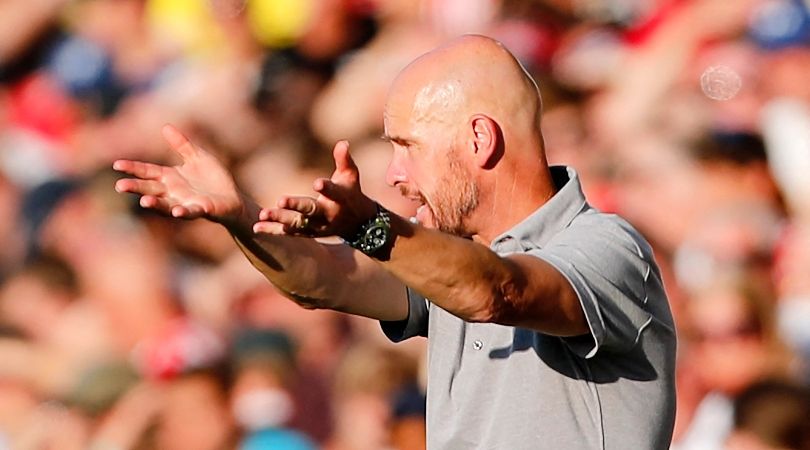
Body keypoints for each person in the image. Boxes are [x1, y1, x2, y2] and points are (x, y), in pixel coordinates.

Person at [113, 34, 677, 449]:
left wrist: (369, 227)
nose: (395, 175)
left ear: (479, 139)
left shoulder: (608, 248)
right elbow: (323, 280)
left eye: (408, 145)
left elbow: (497, 293)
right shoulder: (447, 260)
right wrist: (241, 216)